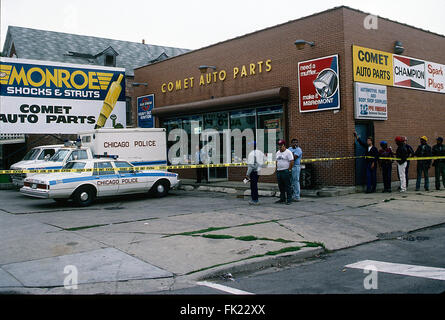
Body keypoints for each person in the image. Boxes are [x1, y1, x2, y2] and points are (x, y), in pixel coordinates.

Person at [275, 139, 294, 205]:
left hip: (285, 171)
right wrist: (276, 168)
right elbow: (276, 161)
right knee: (281, 186)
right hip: (279, 171)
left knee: (287, 186)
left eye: (281, 145)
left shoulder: (288, 152)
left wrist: (289, 169)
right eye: (279, 145)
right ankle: (282, 198)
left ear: (284, 145)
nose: (280, 147)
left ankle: (289, 199)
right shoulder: (277, 153)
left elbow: (291, 161)